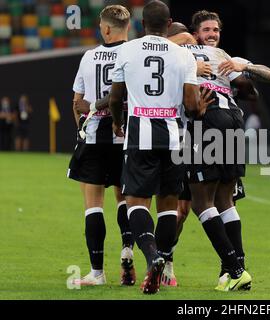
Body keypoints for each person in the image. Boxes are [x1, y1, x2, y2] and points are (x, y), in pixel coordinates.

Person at [164, 17, 270, 290]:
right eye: (206, 30)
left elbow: (153, 49)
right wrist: (242, 72)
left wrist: (244, 66)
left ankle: (236, 269)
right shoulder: (216, 56)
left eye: (216, 29)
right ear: (195, 34)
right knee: (226, 201)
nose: (212, 34)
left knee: (201, 204)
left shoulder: (186, 55)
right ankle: (234, 270)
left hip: (206, 122)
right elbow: (252, 91)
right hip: (233, 121)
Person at [108, 0, 204, 294]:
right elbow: (190, 104)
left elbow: (115, 97)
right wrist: (198, 108)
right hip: (173, 136)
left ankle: (152, 259)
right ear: (170, 22)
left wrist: (116, 122)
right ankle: (162, 257)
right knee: (168, 207)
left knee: (135, 202)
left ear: (141, 24)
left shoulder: (126, 50)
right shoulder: (184, 56)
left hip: (140, 134)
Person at [68, 5, 135, 286]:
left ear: (105, 28)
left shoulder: (88, 56)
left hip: (95, 136)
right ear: (127, 28)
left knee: (93, 206)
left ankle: (96, 272)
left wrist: (82, 128)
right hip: (127, 138)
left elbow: (76, 102)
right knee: (126, 200)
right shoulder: (135, 54)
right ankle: (128, 248)